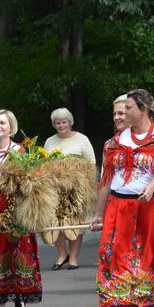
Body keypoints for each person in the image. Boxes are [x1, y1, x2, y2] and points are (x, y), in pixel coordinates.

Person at [89, 89, 154, 307]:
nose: (123, 113)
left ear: (143, 110)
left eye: (128, 108)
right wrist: (98, 213)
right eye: (122, 109)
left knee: (150, 255)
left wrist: (151, 187)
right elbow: (105, 181)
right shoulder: (113, 144)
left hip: (150, 206)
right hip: (120, 206)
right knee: (114, 255)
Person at [0, 109, 42, 307]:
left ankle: (20, 296)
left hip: (15, 211)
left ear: (11, 127)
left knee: (17, 254)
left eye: (2, 123)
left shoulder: (20, 151)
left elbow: (28, 180)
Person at [43, 107, 95, 271]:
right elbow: (43, 164)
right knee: (56, 221)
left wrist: (89, 185)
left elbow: (91, 163)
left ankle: (73, 258)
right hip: (55, 188)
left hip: (76, 188)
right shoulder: (50, 141)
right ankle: (62, 254)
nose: (61, 125)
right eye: (57, 123)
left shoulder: (82, 139)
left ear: (70, 122)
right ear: (54, 124)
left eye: (64, 122)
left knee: (74, 222)